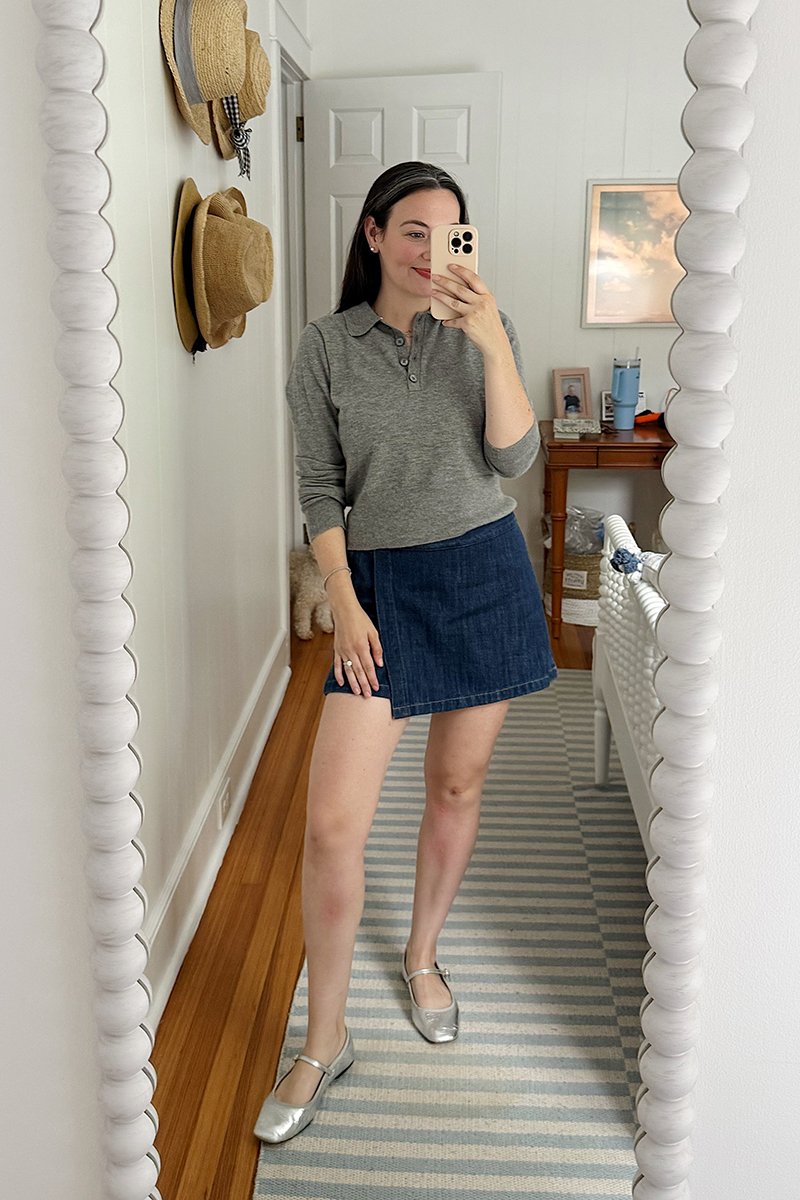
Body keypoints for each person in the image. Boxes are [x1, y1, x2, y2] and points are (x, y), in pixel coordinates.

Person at [254, 161, 556, 1144]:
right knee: (333, 825)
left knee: (455, 789)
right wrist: (340, 603)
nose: (432, 253)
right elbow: (317, 490)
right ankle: (324, 1037)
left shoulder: (482, 331)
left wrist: (488, 341)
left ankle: (421, 956)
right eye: (413, 232)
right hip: (375, 589)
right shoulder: (322, 348)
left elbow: (514, 460)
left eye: (449, 234)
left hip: (480, 575)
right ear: (375, 236)